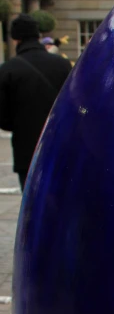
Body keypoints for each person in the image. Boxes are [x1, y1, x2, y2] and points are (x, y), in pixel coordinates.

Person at [0, 14, 72, 191]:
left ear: (15, 38)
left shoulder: (8, 70)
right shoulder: (62, 64)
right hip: (60, 146)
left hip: (27, 151)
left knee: (32, 206)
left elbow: (3, 119)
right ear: (38, 35)